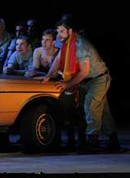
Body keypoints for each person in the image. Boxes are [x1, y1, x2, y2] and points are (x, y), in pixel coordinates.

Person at [43, 16, 120, 153]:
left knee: (90, 106)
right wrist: (48, 75)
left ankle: (93, 143)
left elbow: (84, 72)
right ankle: (114, 141)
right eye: (57, 31)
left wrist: (67, 84)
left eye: (61, 31)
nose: (58, 35)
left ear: (70, 31)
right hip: (86, 81)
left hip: (98, 79)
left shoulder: (80, 45)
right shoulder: (65, 42)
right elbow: (58, 59)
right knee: (103, 112)